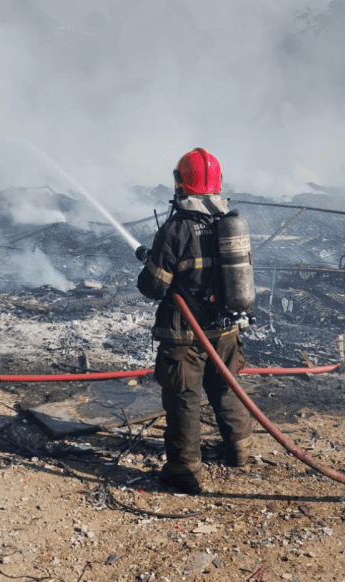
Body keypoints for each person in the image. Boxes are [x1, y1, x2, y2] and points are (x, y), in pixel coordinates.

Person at [136, 147, 254, 495]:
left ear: (180, 183)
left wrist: (152, 264)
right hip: (227, 329)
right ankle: (240, 450)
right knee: (226, 387)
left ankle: (183, 470)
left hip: (185, 336)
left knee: (184, 398)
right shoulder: (230, 224)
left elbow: (153, 287)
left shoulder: (176, 229)